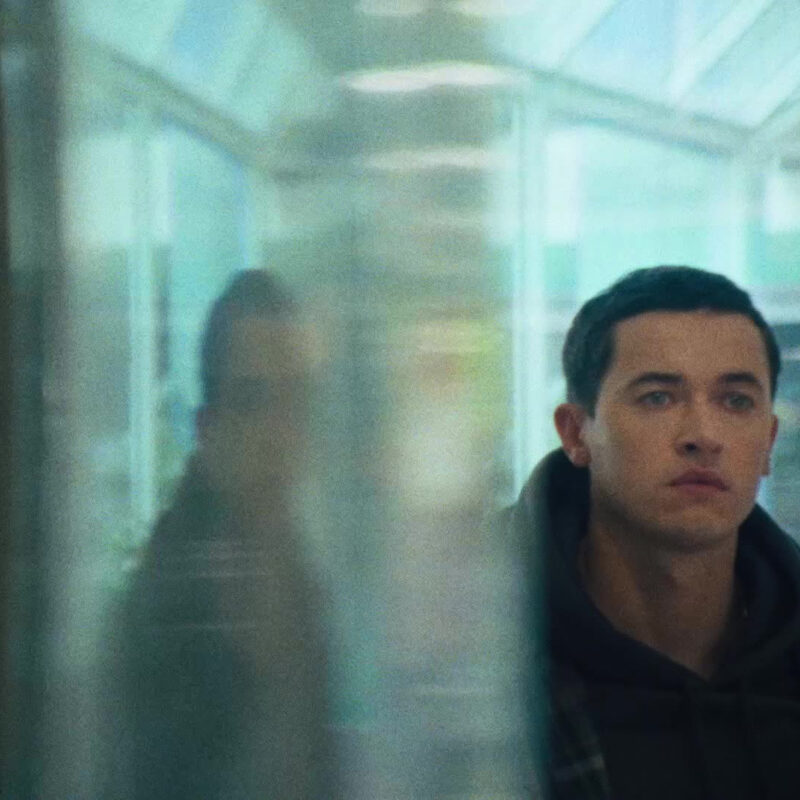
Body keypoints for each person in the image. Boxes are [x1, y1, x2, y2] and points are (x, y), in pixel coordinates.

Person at [511, 266, 800, 799]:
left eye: (736, 401)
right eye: (657, 398)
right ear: (576, 433)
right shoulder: (486, 652)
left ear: (768, 441)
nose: (703, 436)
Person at [114, 270, 333, 799]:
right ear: (208, 427)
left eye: (296, 399)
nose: (280, 432)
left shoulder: (304, 583)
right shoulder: (163, 611)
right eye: (253, 400)